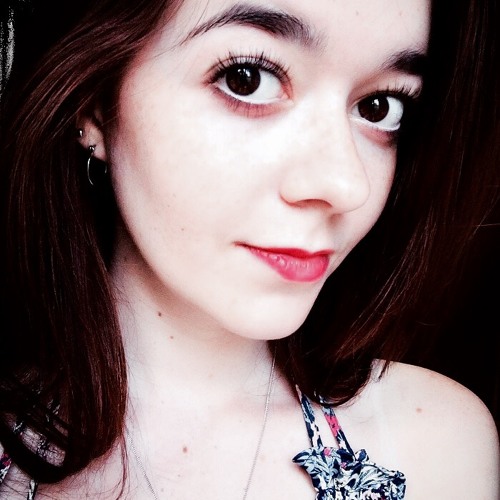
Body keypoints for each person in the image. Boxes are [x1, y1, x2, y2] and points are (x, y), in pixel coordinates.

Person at [0, 0, 498, 498]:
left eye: (379, 107)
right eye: (248, 79)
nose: (346, 185)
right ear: (94, 104)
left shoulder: (434, 447)